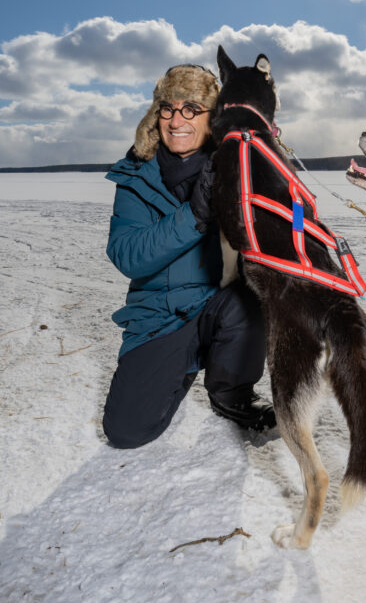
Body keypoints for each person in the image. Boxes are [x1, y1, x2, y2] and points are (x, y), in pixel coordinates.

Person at [102, 63, 275, 448]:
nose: (178, 119)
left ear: (212, 118)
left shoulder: (231, 168)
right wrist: (194, 216)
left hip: (219, 303)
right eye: (169, 107)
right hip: (161, 315)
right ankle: (181, 361)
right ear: (157, 114)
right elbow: (128, 255)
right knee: (127, 432)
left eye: (192, 109)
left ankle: (232, 392)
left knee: (249, 300)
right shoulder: (136, 176)